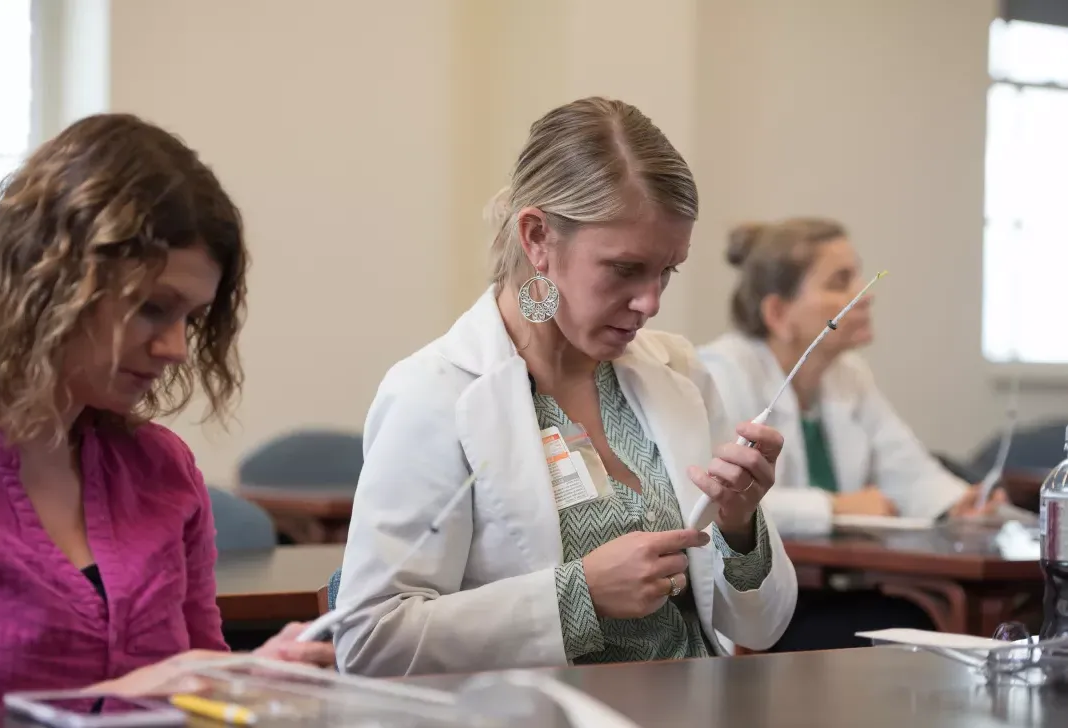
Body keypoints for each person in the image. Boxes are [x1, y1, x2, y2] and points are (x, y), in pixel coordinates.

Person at [333, 97, 797, 677]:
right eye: (625, 269)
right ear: (537, 238)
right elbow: (371, 643)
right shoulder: (435, 393)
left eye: (667, 271)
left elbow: (762, 625)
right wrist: (577, 596)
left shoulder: (678, 371)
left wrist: (741, 525)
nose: (650, 302)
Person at [0, 114, 332, 702]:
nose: (173, 348)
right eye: (150, 308)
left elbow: (194, 679)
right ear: (51, 281)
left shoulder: (161, 470)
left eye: (190, 319)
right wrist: (118, 694)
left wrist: (246, 677)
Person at [697, 217, 1001, 650]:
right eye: (841, 281)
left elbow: (908, 470)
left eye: (858, 275)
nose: (865, 292)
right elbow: (714, 503)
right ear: (778, 313)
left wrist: (962, 504)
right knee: (917, 629)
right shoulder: (722, 372)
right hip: (756, 610)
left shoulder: (848, 375)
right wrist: (835, 507)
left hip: (830, 590)